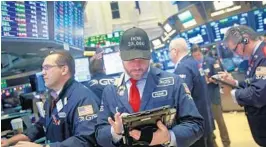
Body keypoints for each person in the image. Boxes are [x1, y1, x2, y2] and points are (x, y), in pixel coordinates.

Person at [96, 27, 204, 147]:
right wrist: (114, 132)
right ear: (120, 55)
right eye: (131, 59)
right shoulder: (110, 91)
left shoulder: (173, 82)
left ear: (150, 54)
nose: (137, 66)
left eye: (142, 59)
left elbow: (195, 124)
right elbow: (100, 134)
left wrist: (169, 136)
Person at [1, 51, 99, 147]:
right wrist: (9, 142)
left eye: (47, 68)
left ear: (64, 69)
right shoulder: (52, 97)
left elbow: (85, 141)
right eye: (42, 68)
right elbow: (40, 126)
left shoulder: (83, 98)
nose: (42, 73)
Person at [219, 25, 266, 147]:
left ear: (245, 39)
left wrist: (233, 92)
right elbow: (253, 81)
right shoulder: (256, 56)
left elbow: (258, 93)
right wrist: (234, 83)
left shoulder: (264, 56)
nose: (236, 54)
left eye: (235, 49)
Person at [169, 38, 215, 147]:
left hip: (194, 124)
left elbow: (181, 98)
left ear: (175, 51)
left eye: (169, 51)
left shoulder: (182, 68)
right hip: (204, 118)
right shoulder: (194, 62)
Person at [191, 44, 231, 147]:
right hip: (203, 100)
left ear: (201, 53)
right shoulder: (194, 65)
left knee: (220, 122)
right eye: (195, 56)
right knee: (208, 125)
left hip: (213, 97)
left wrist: (209, 80)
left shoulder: (211, 61)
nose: (197, 57)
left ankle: (226, 143)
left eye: (198, 55)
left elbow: (219, 75)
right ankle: (214, 144)